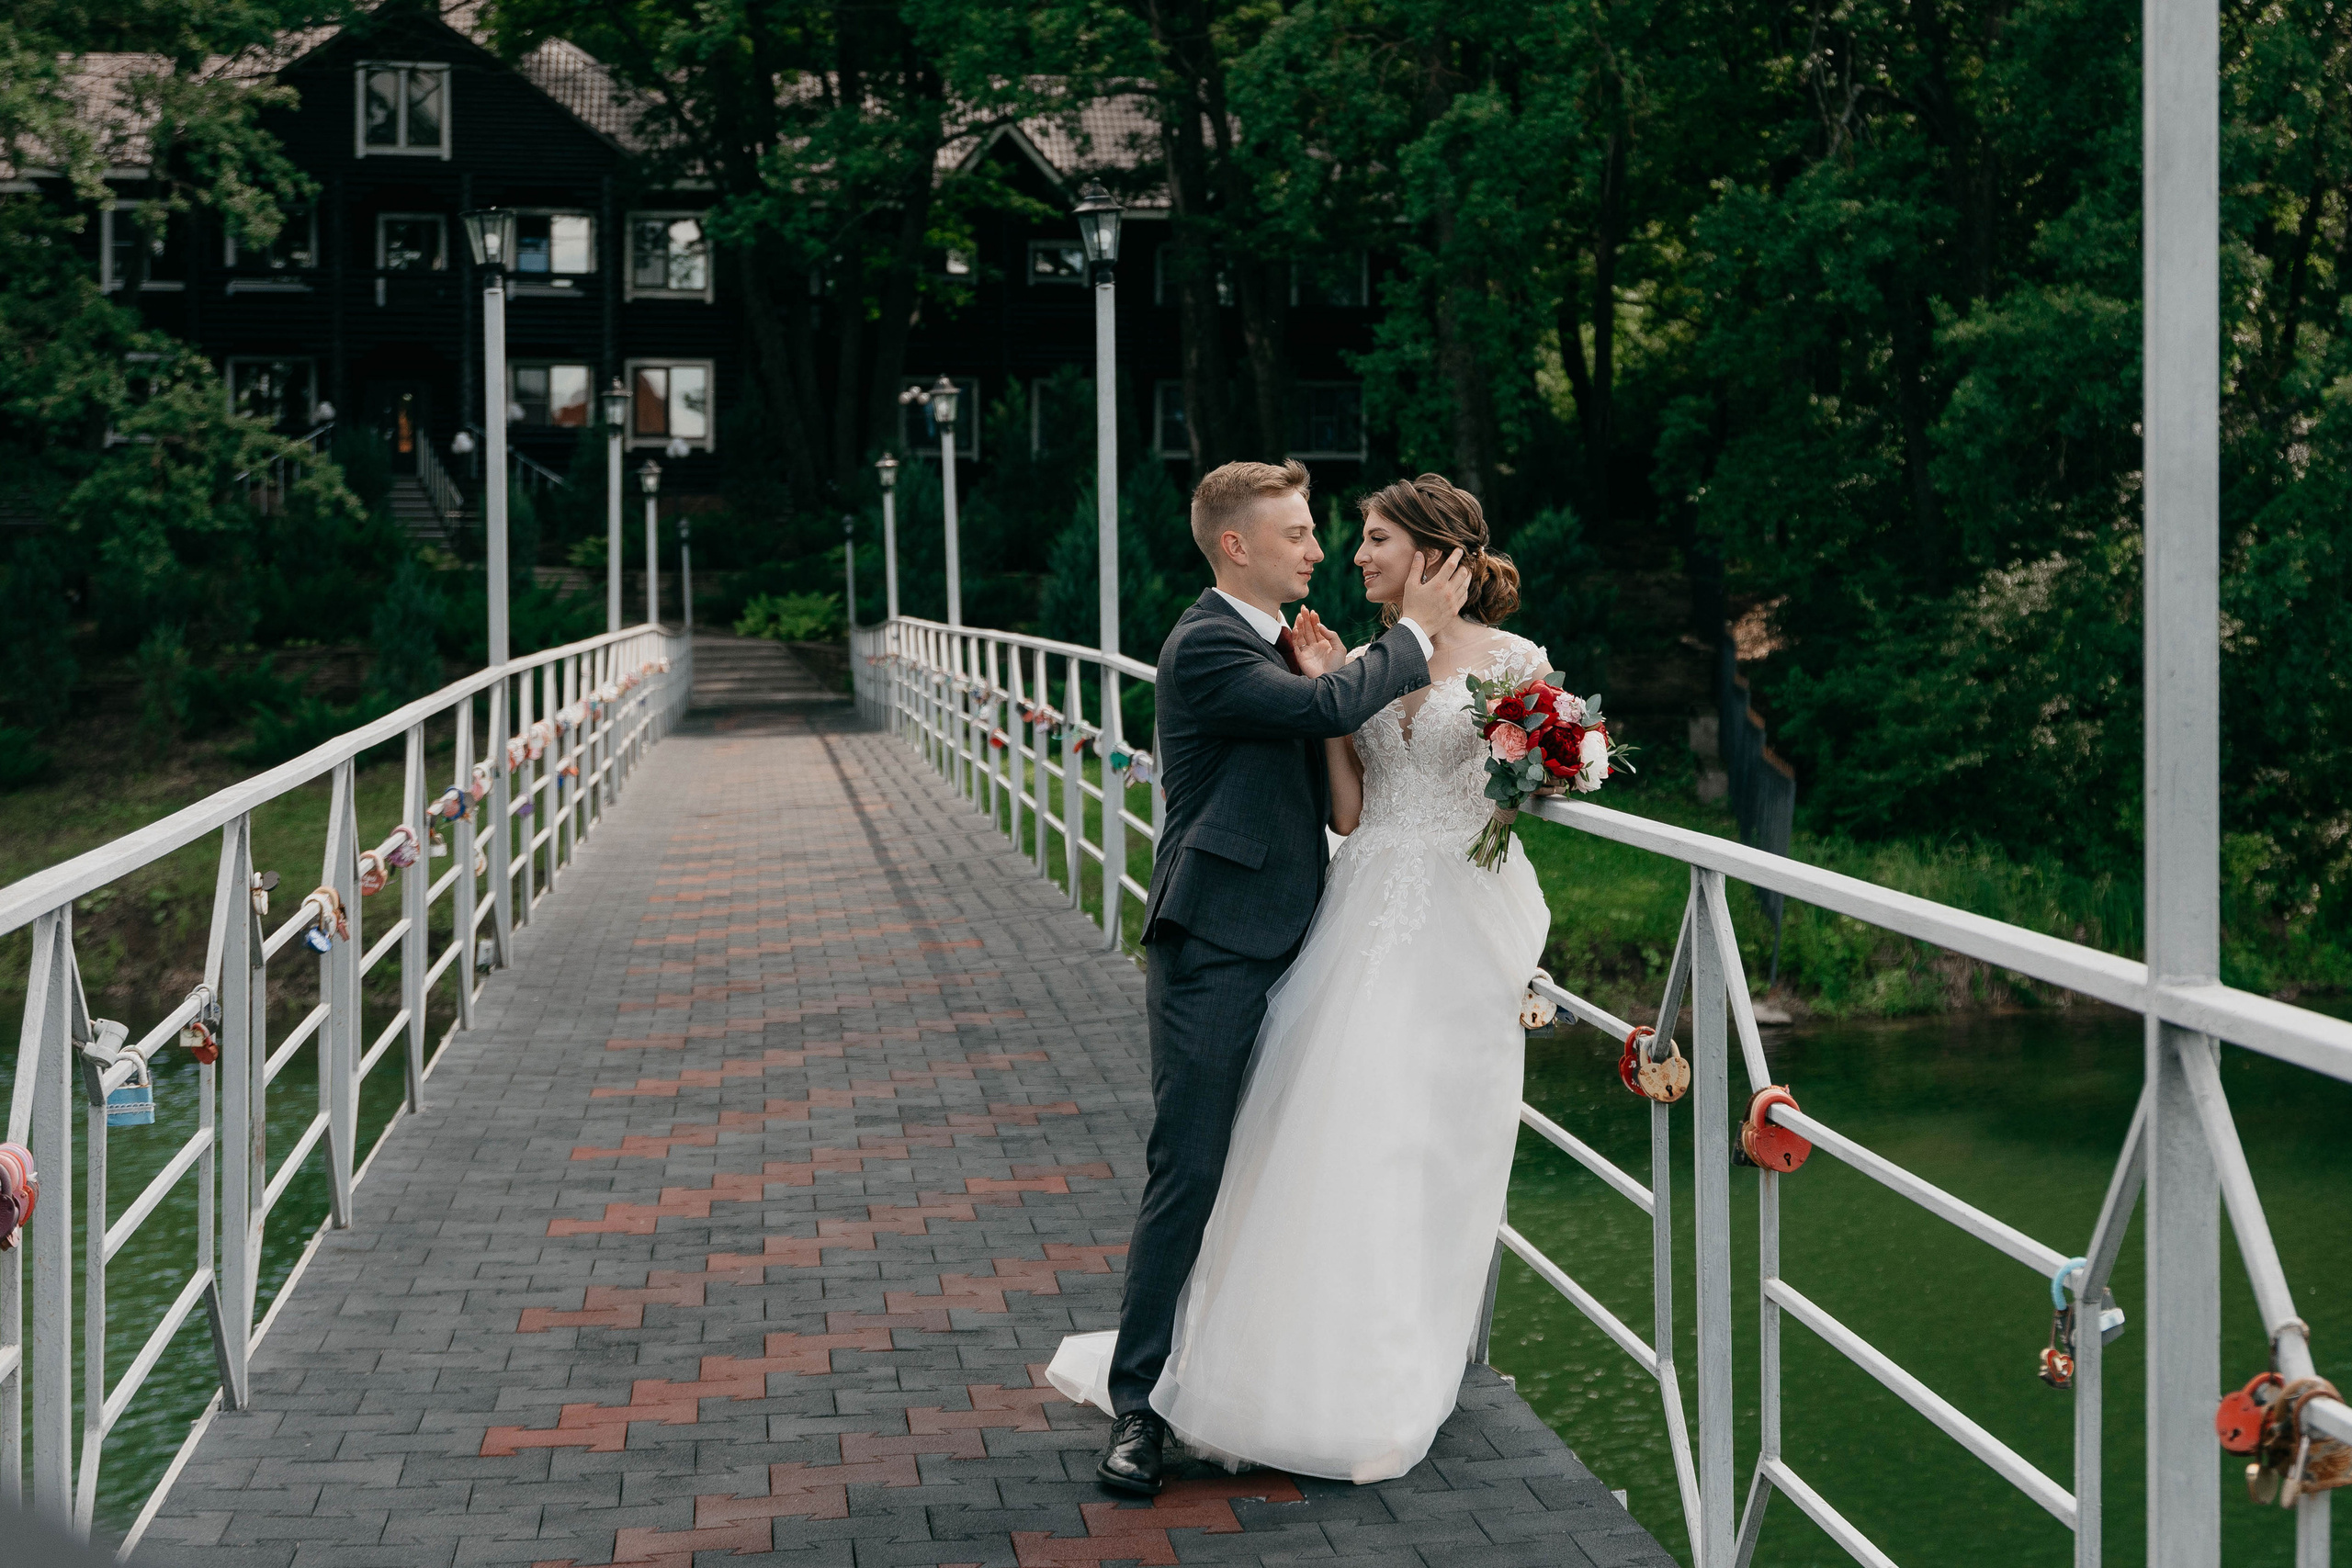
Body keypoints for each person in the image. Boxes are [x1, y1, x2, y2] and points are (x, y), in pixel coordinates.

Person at [1058, 468, 1551, 1489]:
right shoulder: (1210, 644)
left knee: (1360, 1151)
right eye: (1302, 533)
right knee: (1195, 1164)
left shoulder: (1344, 650)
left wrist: (1546, 764)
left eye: (1356, 537)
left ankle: (1371, 1364)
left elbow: (1363, 760)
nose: (1327, 551)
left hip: (1345, 927)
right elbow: (1335, 738)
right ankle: (1142, 1405)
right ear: (1237, 546)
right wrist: (1398, 642)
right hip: (1228, 938)